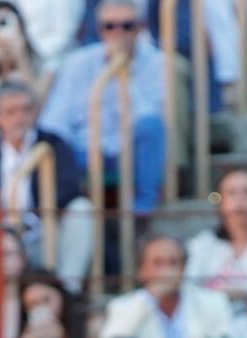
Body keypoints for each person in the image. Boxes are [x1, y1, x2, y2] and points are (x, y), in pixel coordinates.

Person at [40, 0, 164, 214]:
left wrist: (122, 74)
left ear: (139, 29)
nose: (118, 33)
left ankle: (142, 211)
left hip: (128, 151)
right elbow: (54, 121)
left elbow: (151, 118)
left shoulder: (156, 63)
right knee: (51, 145)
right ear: (99, 30)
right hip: (84, 150)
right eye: (109, 26)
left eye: (126, 26)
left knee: (152, 128)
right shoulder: (77, 62)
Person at [0, 80, 87, 276]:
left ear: (36, 111)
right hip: (3, 239)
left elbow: (69, 189)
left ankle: (68, 286)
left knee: (81, 209)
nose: (19, 117)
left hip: (46, 234)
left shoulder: (54, 145)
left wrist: (31, 220)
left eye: (26, 109)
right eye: (11, 111)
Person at [97, 234, 237, 338]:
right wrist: (150, 298)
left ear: (184, 268)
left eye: (173, 263)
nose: (167, 271)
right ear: (141, 270)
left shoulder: (214, 302)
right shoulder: (122, 307)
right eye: (157, 263)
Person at [184, 168, 247, 311]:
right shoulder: (202, 245)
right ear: (221, 204)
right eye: (231, 193)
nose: (240, 200)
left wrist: (246, 297)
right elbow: (188, 292)